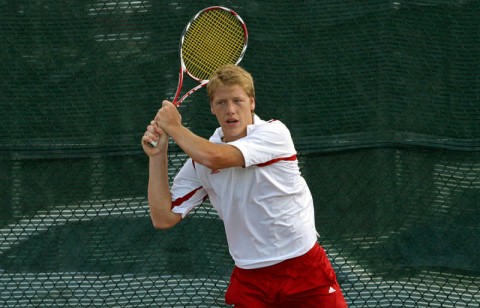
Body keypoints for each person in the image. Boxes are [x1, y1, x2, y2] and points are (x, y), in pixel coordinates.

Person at [141, 64, 347, 307]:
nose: (230, 110)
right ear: (211, 108)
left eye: (237, 101)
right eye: (221, 103)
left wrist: (174, 127)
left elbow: (217, 157)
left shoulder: (274, 134)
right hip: (250, 279)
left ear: (252, 103)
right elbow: (163, 217)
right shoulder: (200, 160)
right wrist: (157, 157)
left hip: (302, 268)